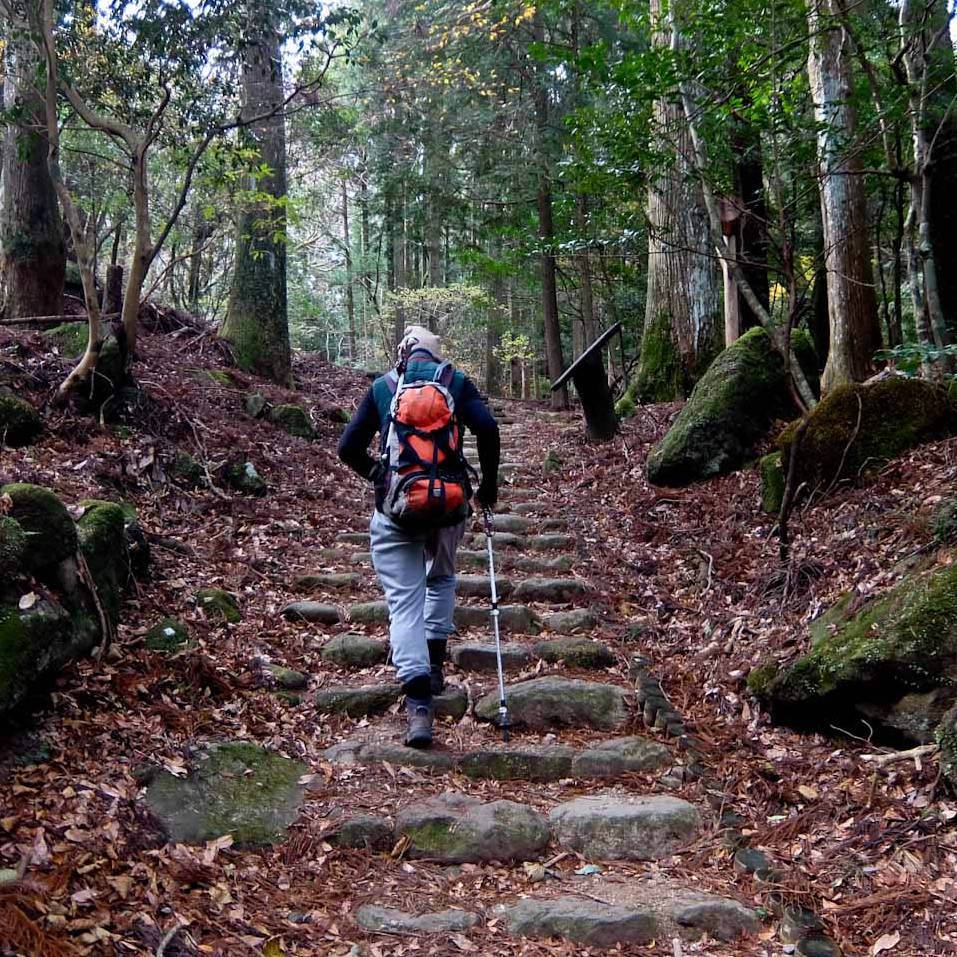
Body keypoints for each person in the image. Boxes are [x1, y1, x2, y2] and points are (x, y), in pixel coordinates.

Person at [338, 326, 500, 748]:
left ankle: (419, 707)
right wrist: (489, 489)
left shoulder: (383, 387)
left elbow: (347, 447)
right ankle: (435, 663)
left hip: (397, 510)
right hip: (449, 505)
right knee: (442, 578)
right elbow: (489, 429)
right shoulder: (456, 382)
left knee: (404, 603)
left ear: (404, 355)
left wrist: (379, 475)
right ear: (436, 354)